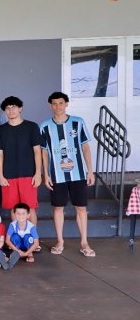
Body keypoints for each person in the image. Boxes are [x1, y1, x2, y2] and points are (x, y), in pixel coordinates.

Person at [41, 92, 96, 257]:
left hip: (78, 174)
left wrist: (90, 171)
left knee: (81, 207)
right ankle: (60, 241)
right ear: (50, 106)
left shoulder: (78, 122)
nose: (58, 106)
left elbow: (85, 147)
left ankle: (84, 242)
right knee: (58, 207)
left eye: (61, 103)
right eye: (54, 103)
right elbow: (44, 152)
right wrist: (46, 174)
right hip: (56, 175)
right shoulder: (44, 126)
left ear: (66, 104)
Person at [0, 96, 43, 227]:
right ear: (5, 111)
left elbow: (37, 151)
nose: (11, 110)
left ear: (20, 108)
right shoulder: (1, 130)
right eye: (7, 108)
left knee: (29, 208)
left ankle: (32, 237)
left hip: (28, 174)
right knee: (14, 208)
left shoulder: (32, 127)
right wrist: (0, 175)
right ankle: (17, 236)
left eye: (14, 107)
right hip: (8, 175)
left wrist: (38, 173)